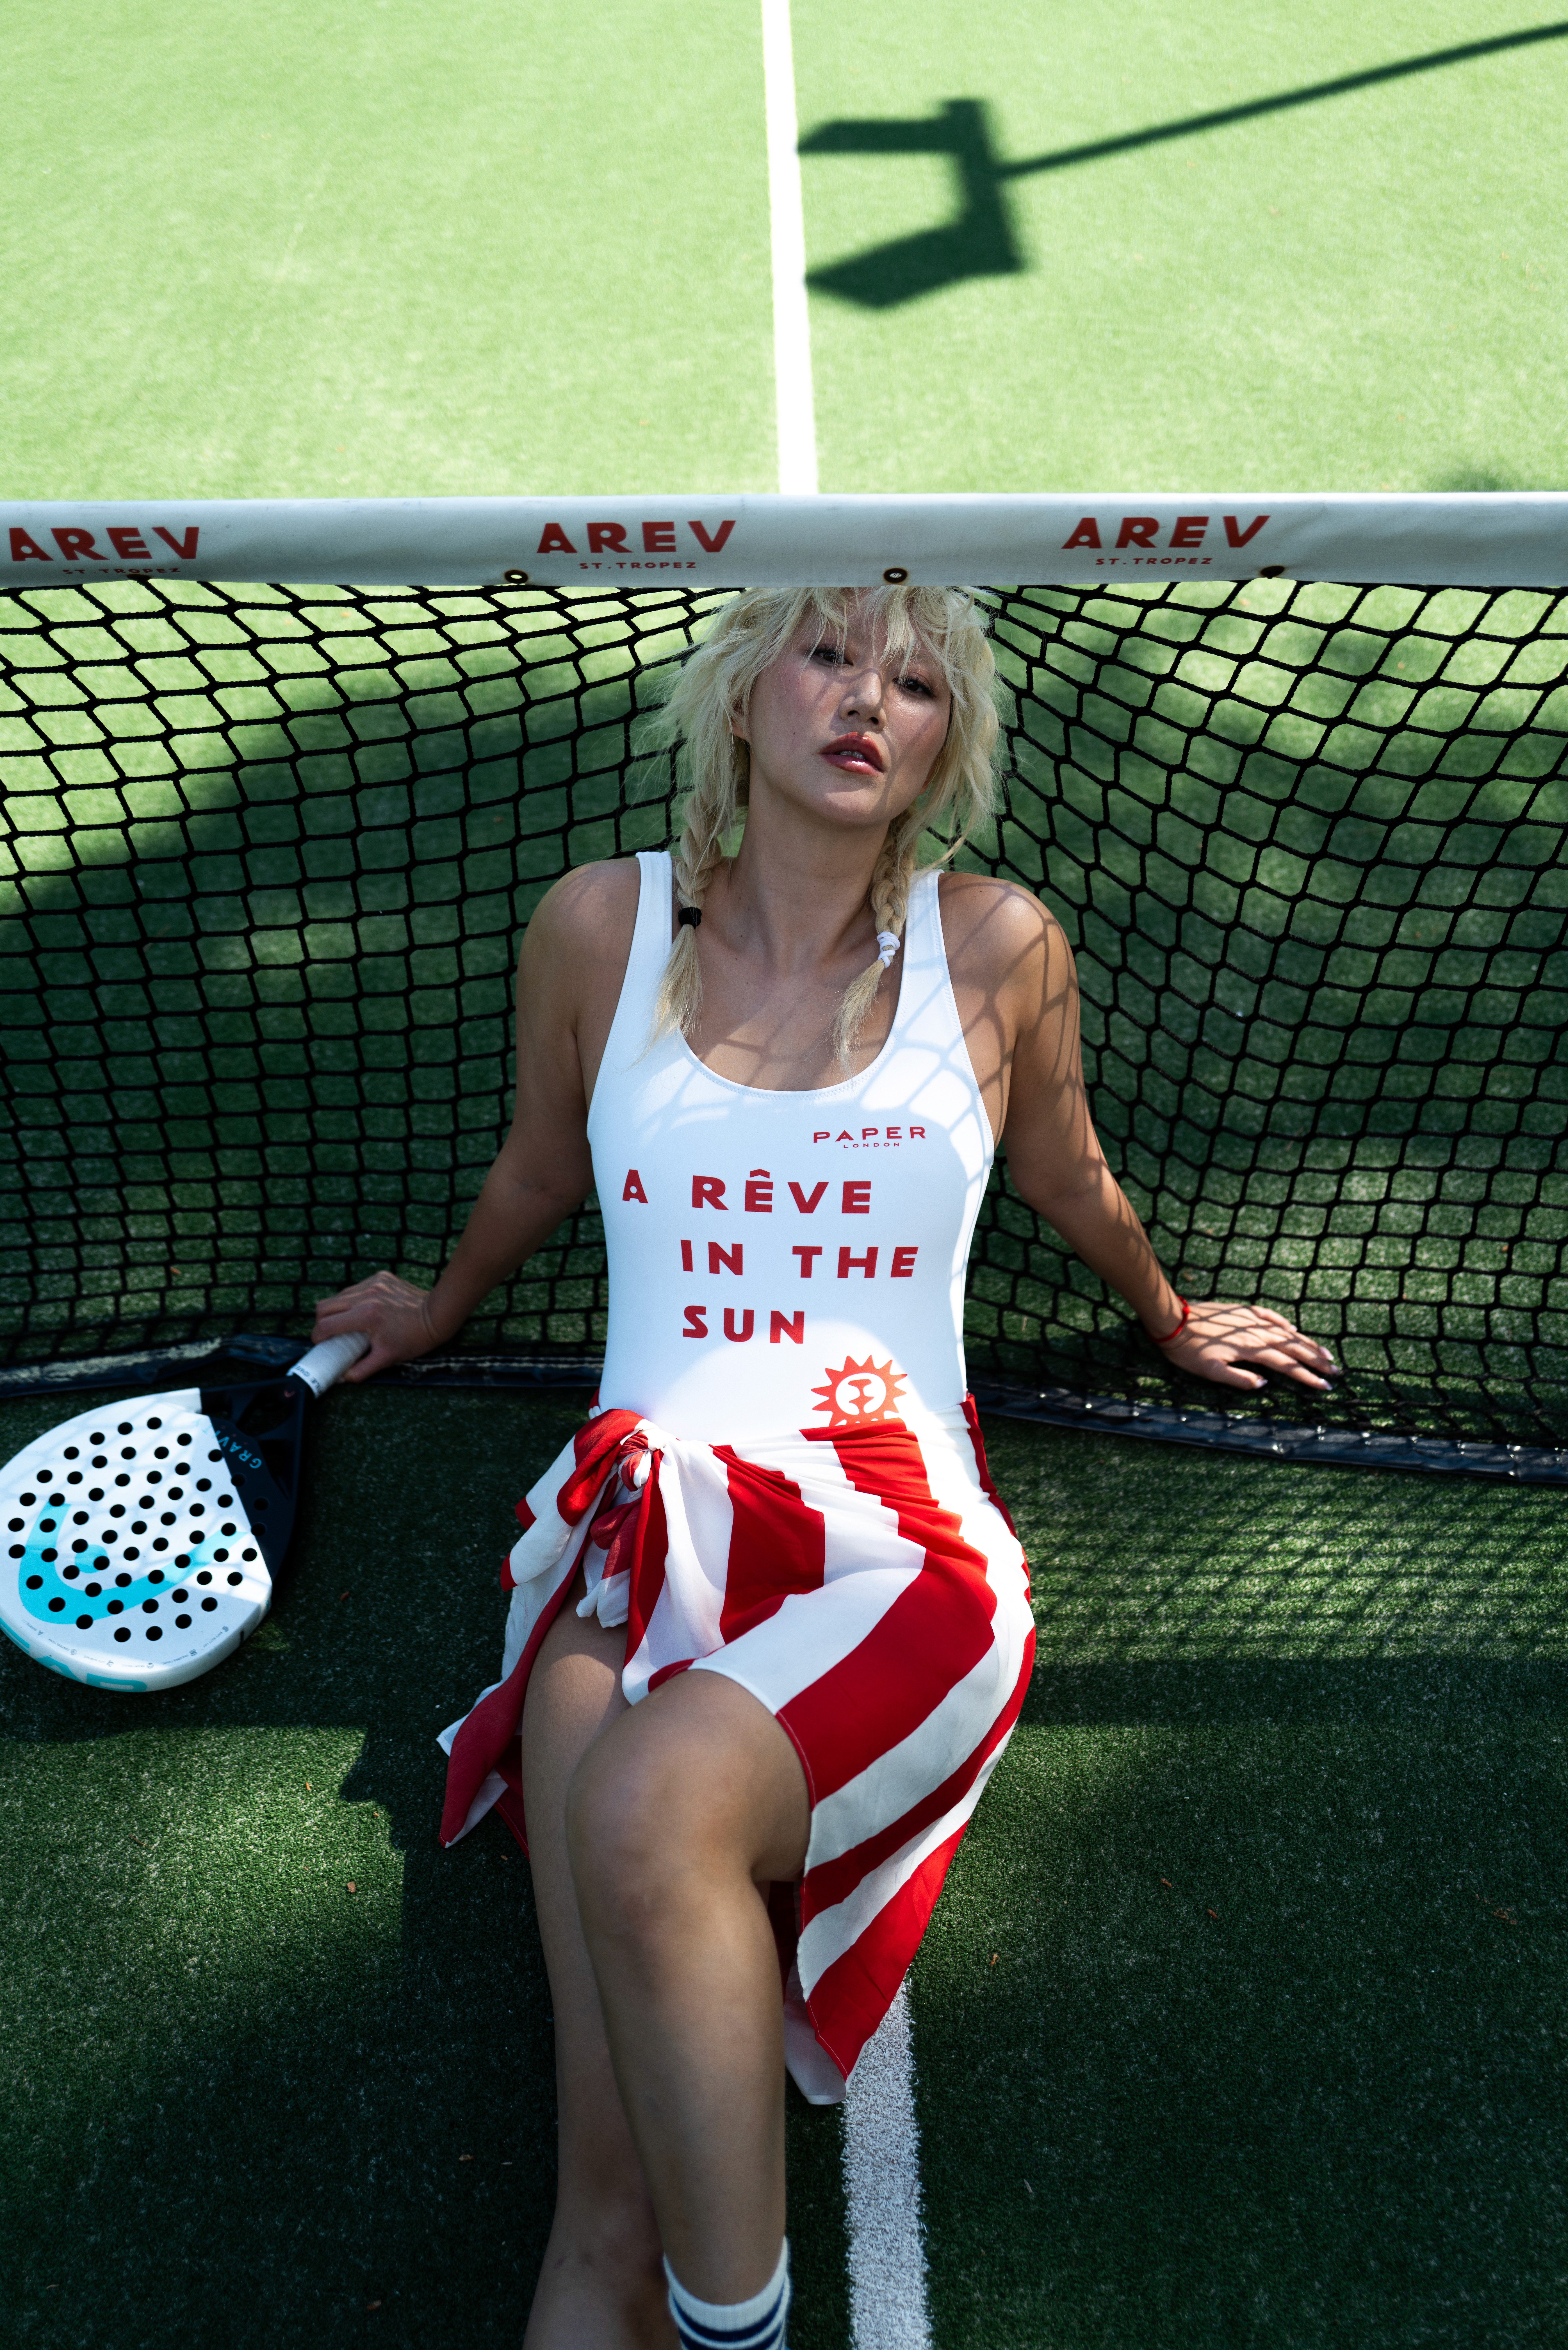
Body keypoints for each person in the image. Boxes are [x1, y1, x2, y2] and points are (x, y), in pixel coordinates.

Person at [312, 585, 1335, 2350]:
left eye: (919, 680)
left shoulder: (997, 943)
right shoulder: (600, 928)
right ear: (742, 697)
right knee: (597, 2226)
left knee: (645, 1804)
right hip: (630, 1527)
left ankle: (749, 2337)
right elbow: (541, 1168)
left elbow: (1065, 1174)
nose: (871, 698)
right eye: (830, 655)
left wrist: (1167, 1313)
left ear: (948, 748)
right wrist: (444, 1304)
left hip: (894, 1537)